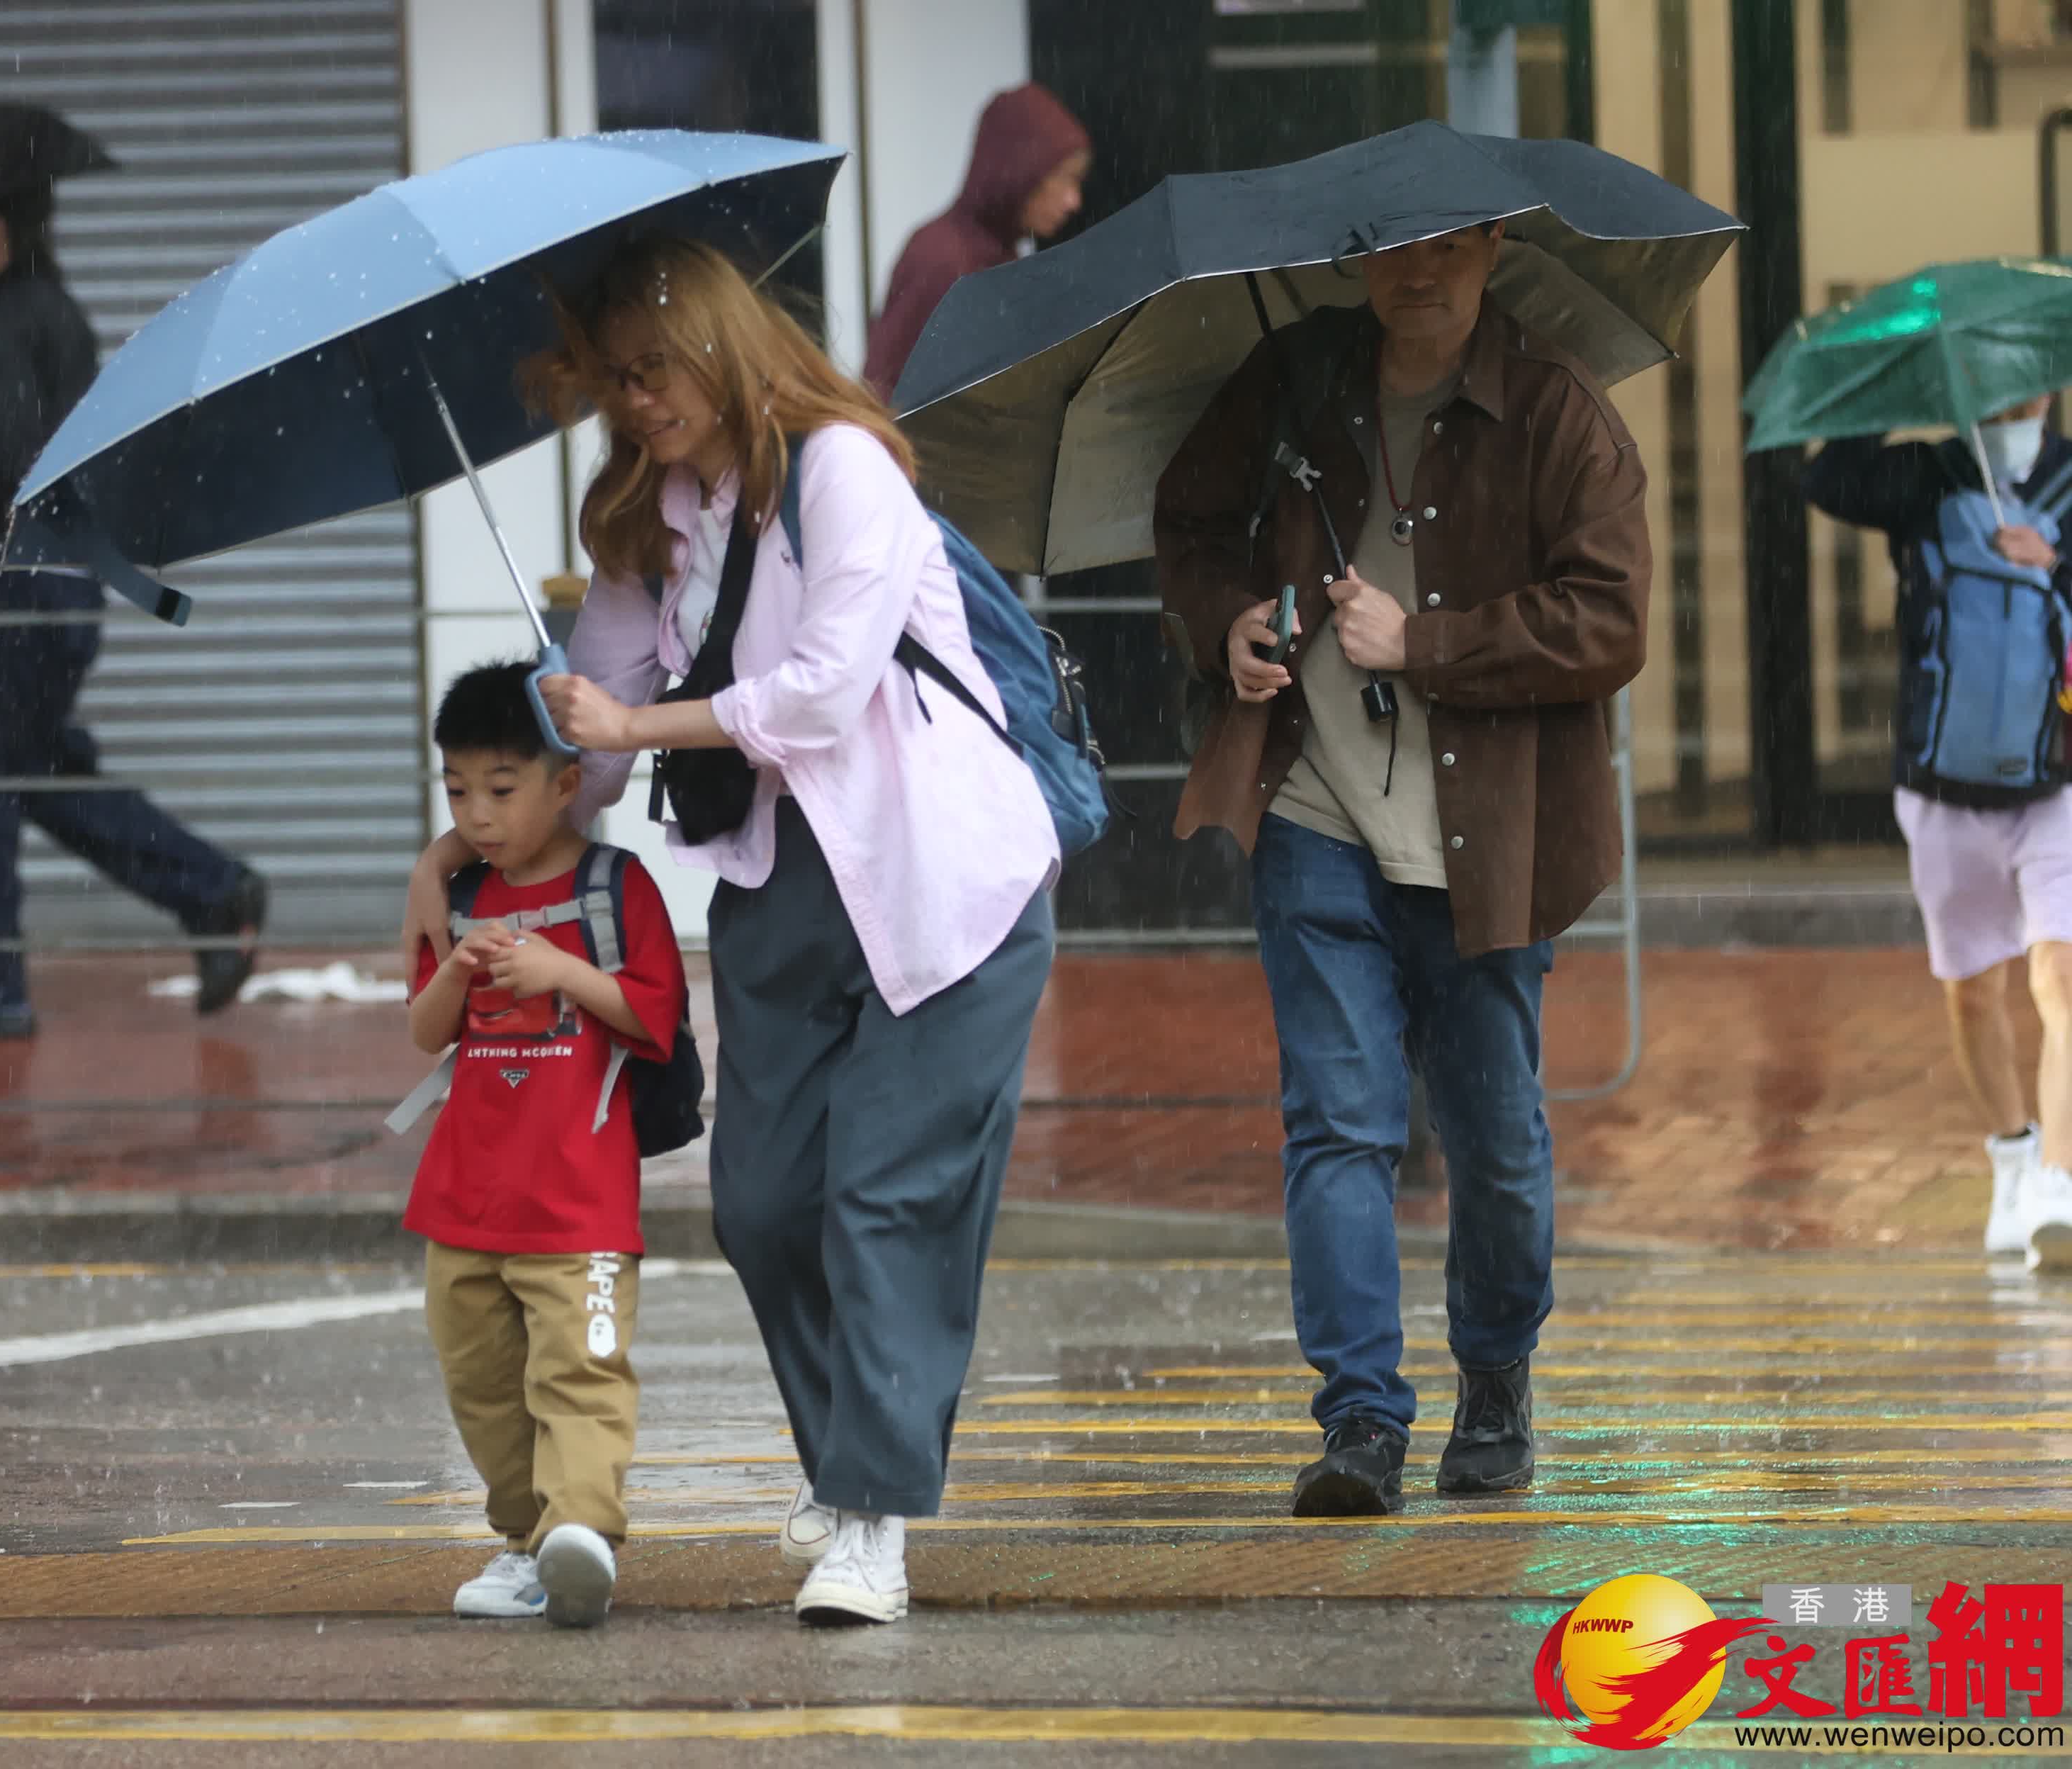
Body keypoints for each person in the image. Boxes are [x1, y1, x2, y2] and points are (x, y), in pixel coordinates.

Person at [402, 237, 1058, 1625]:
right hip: (782, 881)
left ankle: (872, 1523)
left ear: (719, 341)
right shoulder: (650, 514)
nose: (637, 405)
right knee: (764, 1206)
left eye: (653, 372)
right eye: (612, 385)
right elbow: (595, 735)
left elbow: (821, 696)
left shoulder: (841, 470)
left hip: (947, 881)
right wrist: (492, 821)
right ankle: (853, 1462)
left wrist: (636, 725)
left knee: (881, 1196)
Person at [1156, 223, 1650, 1515]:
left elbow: (1608, 619)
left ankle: (1494, 1377)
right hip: (1313, 811)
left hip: (1485, 838)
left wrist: (1423, 641)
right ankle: (1359, 1421)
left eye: (1442, 248)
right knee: (1336, 1122)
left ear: (1491, 249)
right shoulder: (1294, 379)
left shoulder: (1552, 409)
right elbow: (1191, 520)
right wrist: (1230, 625)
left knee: (1491, 1138)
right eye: (1385, 249)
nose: (1413, 273)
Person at [0, 181, 266, 1041]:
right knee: (34, 777)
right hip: (43, 584)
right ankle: (212, 892)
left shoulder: (15, 316)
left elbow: (10, 448)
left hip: (8, 588)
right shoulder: (30, 313)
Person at [405, 661, 686, 1631]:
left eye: (501, 788)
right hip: (466, 1200)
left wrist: (562, 967)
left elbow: (656, 1016)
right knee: (481, 1379)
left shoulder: (618, 887)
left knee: (580, 1368)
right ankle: (527, 1541)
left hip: (579, 1205)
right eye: (456, 792)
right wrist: (461, 966)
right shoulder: (461, 894)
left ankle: (583, 1534)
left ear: (566, 783)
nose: (477, 815)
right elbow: (425, 1031)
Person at [1803, 395, 2072, 1268]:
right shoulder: (1930, 474)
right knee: (1972, 991)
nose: (2011, 392)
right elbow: (1828, 480)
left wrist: (2059, 562)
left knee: (2061, 974)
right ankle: (2013, 1157)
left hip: (2055, 778)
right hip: (1942, 784)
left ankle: (2059, 1190)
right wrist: (1892, 397)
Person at [862, 83, 1091, 400]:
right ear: (1020, 170)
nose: (1073, 201)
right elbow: (886, 394)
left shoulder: (1003, 256)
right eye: (1065, 178)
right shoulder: (942, 258)